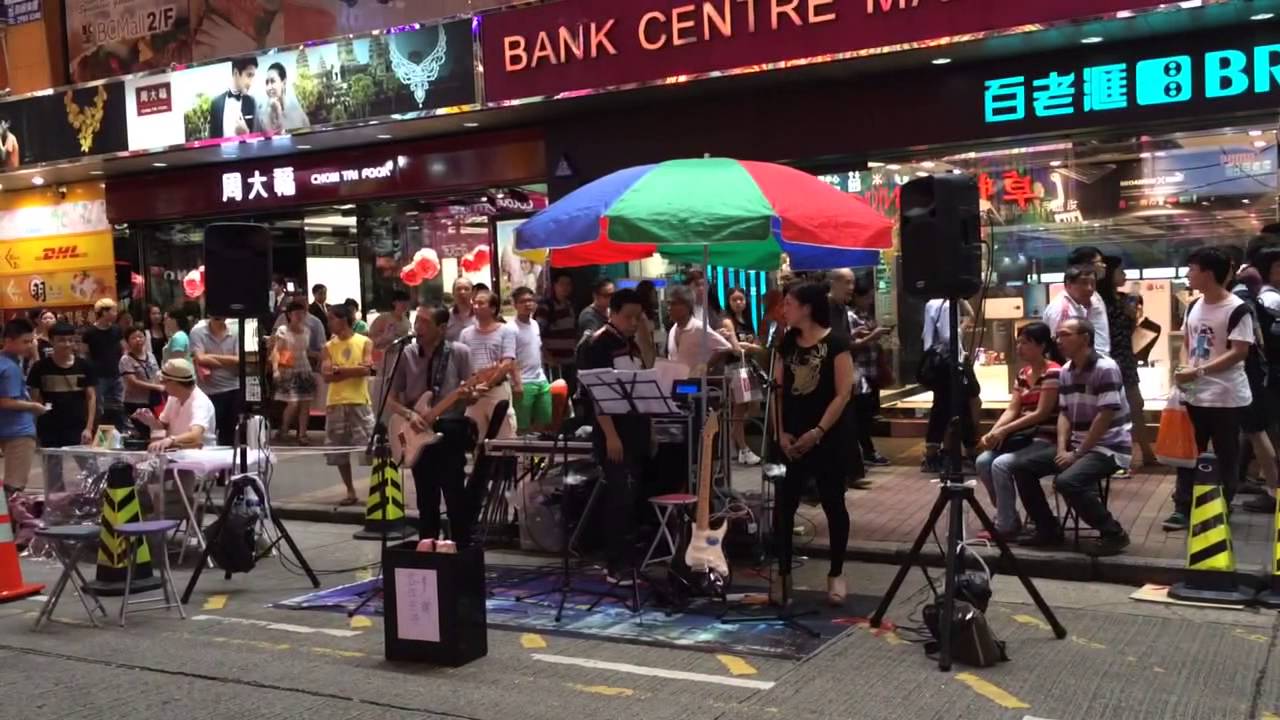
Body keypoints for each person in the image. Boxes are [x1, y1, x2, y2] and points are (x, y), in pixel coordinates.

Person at [1008, 317, 1131, 555]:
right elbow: (1064, 413)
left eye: (1065, 334)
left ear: (1085, 338)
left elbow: (1105, 416)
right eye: (1058, 335)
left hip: (1108, 447)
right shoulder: (1066, 370)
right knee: (1021, 467)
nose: (1058, 340)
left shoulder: (1105, 368)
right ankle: (1048, 528)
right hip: (1077, 445)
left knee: (1067, 481)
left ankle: (1113, 533)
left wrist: (1077, 453)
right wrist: (1063, 449)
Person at [1163, 247, 1255, 531]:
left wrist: (1199, 371)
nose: (1188, 274)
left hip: (1226, 396)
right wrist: (1183, 368)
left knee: (1226, 453)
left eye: (1192, 269)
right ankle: (1182, 507)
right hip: (1194, 394)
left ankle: (1222, 504)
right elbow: (1187, 343)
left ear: (1208, 273)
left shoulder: (1237, 309)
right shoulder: (1193, 305)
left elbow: (1239, 351)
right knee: (1188, 452)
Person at [773, 282, 854, 606]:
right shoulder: (786, 345)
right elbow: (777, 393)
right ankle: (783, 573)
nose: (784, 309)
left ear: (806, 308)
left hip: (828, 434)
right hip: (791, 435)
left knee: (833, 503)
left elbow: (843, 393)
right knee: (784, 506)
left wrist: (818, 431)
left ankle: (836, 573)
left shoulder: (836, 343)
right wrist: (780, 432)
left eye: (789, 304)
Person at [387, 306, 476, 543]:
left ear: (442, 328)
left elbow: (473, 394)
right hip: (416, 429)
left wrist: (471, 394)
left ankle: (460, 547)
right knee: (426, 498)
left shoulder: (459, 352)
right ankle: (428, 548)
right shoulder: (406, 353)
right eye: (417, 321)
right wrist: (409, 414)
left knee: (454, 494)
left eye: (425, 322)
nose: (418, 327)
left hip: (450, 428)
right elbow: (390, 399)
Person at [580, 288, 649, 585]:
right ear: (613, 313)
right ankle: (615, 564)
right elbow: (597, 394)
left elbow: (645, 381)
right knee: (618, 497)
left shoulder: (630, 342)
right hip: (613, 431)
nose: (633, 322)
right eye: (629, 317)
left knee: (631, 498)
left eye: (638, 317)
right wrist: (610, 435)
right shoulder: (598, 344)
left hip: (635, 428)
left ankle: (629, 560)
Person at [974, 322, 1061, 539]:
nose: (1020, 348)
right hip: (1022, 437)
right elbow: (1013, 409)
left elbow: (1041, 413)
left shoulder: (1053, 372)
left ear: (1042, 346)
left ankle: (1005, 525)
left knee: (1001, 464)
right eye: (1018, 342)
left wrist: (1004, 431)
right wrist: (993, 432)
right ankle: (1008, 516)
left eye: (1026, 343)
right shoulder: (1023, 373)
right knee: (983, 461)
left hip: (1045, 437)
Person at [1098, 256, 1156, 469]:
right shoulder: (1100, 302)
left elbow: (1129, 329)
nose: (1124, 275)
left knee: (1135, 404)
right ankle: (1128, 454)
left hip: (1125, 358)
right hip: (1111, 359)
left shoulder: (1123, 299)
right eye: (1120, 271)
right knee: (1117, 407)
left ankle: (1145, 452)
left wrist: (1134, 315)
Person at [28, 322, 96, 485]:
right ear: (51, 341)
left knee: (91, 470)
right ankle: (56, 500)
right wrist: (34, 429)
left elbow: (91, 397)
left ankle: (97, 497)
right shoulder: (39, 368)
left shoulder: (84, 365)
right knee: (53, 474)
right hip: (49, 427)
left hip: (77, 425)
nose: (67, 344)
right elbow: (35, 400)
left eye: (70, 340)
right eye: (61, 340)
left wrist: (88, 427)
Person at [321, 304, 374, 507]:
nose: (329, 323)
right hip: (336, 401)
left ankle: (379, 488)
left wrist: (339, 370)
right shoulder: (328, 346)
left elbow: (366, 369)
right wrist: (352, 370)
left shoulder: (364, 342)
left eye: (332, 319)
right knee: (338, 450)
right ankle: (350, 490)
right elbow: (326, 375)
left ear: (343, 320)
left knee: (370, 447)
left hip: (359, 400)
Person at [920, 297, 979, 473]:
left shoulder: (932, 303)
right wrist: (963, 326)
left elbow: (927, 335)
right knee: (962, 405)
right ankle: (964, 452)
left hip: (937, 363)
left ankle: (939, 454)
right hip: (949, 363)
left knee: (944, 408)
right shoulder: (946, 305)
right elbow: (949, 336)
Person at [1243, 246, 1280, 513]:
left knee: (1261, 431)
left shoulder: (1267, 299)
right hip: (1271, 376)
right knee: (1264, 431)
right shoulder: (1268, 299)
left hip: (1268, 376)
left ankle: (1271, 488)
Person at [459, 289, 519, 442]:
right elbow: (461, 364)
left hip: (497, 389)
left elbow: (507, 363)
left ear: (492, 308)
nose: (476, 306)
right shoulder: (465, 334)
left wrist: (487, 385)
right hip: (473, 393)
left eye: (481, 303)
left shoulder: (506, 331)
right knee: (474, 437)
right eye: (474, 303)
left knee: (504, 436)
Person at [849, 278, 891, 466]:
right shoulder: (849, 316)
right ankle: (866, 451)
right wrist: (873, 336)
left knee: (867, 415)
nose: (870, 301)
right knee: (862, 416)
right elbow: (850, 344)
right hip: (859, 372)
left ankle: (864, 451)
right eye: (867, 297)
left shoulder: (866, 315)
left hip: (871, 370)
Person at [0, 319, 45, 494]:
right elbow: (5, 401)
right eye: (25, 341)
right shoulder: (10, 368)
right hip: (19, 430)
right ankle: (10, 511)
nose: (30, 345)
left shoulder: (10, 362)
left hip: (8, 427)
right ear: (8, 341)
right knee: (15, 486)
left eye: (31, 341)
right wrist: (33, 406)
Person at [721, 287, 763, 465]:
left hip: (748, 367)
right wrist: (746, 347)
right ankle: (743, 448)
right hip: (736, 368)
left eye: (741, 299)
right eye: (734, 299)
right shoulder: (728, 321)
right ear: (728, 301)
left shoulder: (747, 320)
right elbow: (735, 349)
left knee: (753, 407)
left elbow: (758, 346)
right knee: (739, 409)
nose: (739, 303)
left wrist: (749, 347)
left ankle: (734, 438)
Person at [1043, 247, 1111, 357]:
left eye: (1092, 283)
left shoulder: (1094, 298)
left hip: (1097, 360)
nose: (1089, 288)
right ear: (1069, 285)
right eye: (1084, 283)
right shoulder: (1061, 308)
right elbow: (1060, 349)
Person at [190, 315, 241, 447]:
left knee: (229, 433)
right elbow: (200, 358)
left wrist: (209, 357)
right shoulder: (198, 331)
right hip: (208, 391)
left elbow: (239, 360)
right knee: (208, 432)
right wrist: (228, 361)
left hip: (233, 387)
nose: (219, 317)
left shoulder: (235, 329)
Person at [271, 301, 317, 445]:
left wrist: (321, 354)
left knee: (305, 403)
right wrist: (275, 369)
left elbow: (306, 351)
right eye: (296, 313)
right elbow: (277, 350)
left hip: (304, 369)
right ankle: (284, 429)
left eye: (302, 313)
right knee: (293, 402)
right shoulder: (283, 330)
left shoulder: (307, 330)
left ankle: (302, 434)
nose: (299, 316)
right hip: (288, 369)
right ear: (289, 315)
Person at [509, 287, 552, 433]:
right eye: (523, 301)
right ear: (515, 305)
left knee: (544, 422)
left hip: (541, 379)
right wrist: (517, 383)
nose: (528, 304)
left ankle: (539, 449)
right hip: (524, 382)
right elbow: (510, 357)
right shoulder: (510, 328)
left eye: (530, 300)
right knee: (522, 427)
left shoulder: (535, 324)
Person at [666, 285, 732, 372]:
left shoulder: (698, 327)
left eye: (674, 304)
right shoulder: (673, 330)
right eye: (668, 304)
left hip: (695, 379)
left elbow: (725, 347)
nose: (669, 308)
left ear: (687, 306)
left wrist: (706, 366)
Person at [82, 298, 125, 429]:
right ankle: (99, 433)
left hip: (116, 373)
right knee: (99, 408)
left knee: (119, 406)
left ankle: (119, 431)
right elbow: (85, 354)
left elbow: (123, 348)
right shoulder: (90, 332)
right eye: (113, 311)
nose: (116, 314)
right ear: (104, 312)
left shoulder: (117, 330)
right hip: (98, 376)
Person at [536, 271, 579, 395]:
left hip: (570, 360)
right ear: (554, 286)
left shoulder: (570, 305)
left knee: (569, 394)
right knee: (556, 396)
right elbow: (537, 335)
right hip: (554, 363)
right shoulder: (546, 307)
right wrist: (548, 357)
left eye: (568, 284)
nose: (565, 287)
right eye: (562, 284)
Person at [119, 325, 163, 429]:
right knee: (141, 430)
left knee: (156, 429)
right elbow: (133, 382)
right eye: (133, 338)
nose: (138, 340)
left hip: (154, 400)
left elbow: (157, 374)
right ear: (127, 341)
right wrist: (156, 387)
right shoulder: (126, 359)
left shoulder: (151, 356)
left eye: (140, 336)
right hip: (135, 402)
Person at [209, 57, 259, 138]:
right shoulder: (216, 103)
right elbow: (213, 138)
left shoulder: (251, 102)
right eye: (249, 75)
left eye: (253, 76)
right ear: (236, 73)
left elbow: (257, 139)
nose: (251, 82)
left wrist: (246, 134)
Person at [261, 62, 311, 134]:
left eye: (272, 81)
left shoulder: (296, 112)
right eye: (267, 83)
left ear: (284, 83)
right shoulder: (262, 115)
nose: (269, 87)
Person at [446, 277, 476, 342]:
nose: (462, 292)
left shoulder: (480, 314)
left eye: (466, 289)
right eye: (458, 289)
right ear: (453, 293)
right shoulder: (446, 316)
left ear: (472, 293)